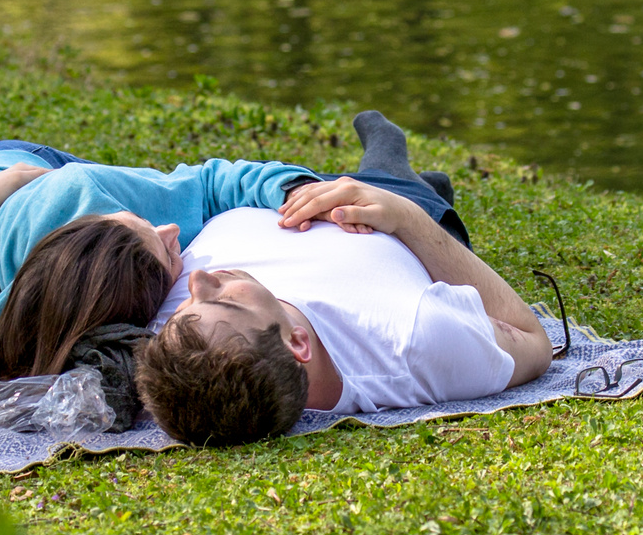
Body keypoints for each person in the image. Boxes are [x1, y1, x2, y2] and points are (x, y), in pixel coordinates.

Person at [0, 115, 464, 385]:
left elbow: (211, 183)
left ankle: (393, 176)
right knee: (396, 212)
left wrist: (296, 191)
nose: (174, 232)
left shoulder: (98, 207)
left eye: (156, 230)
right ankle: (408, 186)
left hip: (16, 176)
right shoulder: (25, 319)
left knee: (329, 202)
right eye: (167, 253)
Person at [136, 177, 554, 446]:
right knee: (411, 189)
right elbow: (534, 340)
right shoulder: (414, 341)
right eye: (224, 299)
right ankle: (415, 186)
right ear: (298, 343)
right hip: (387, 216)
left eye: (188, 306)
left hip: (282, 186)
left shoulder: (175, 339)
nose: (197, 281)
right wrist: (407, 217)